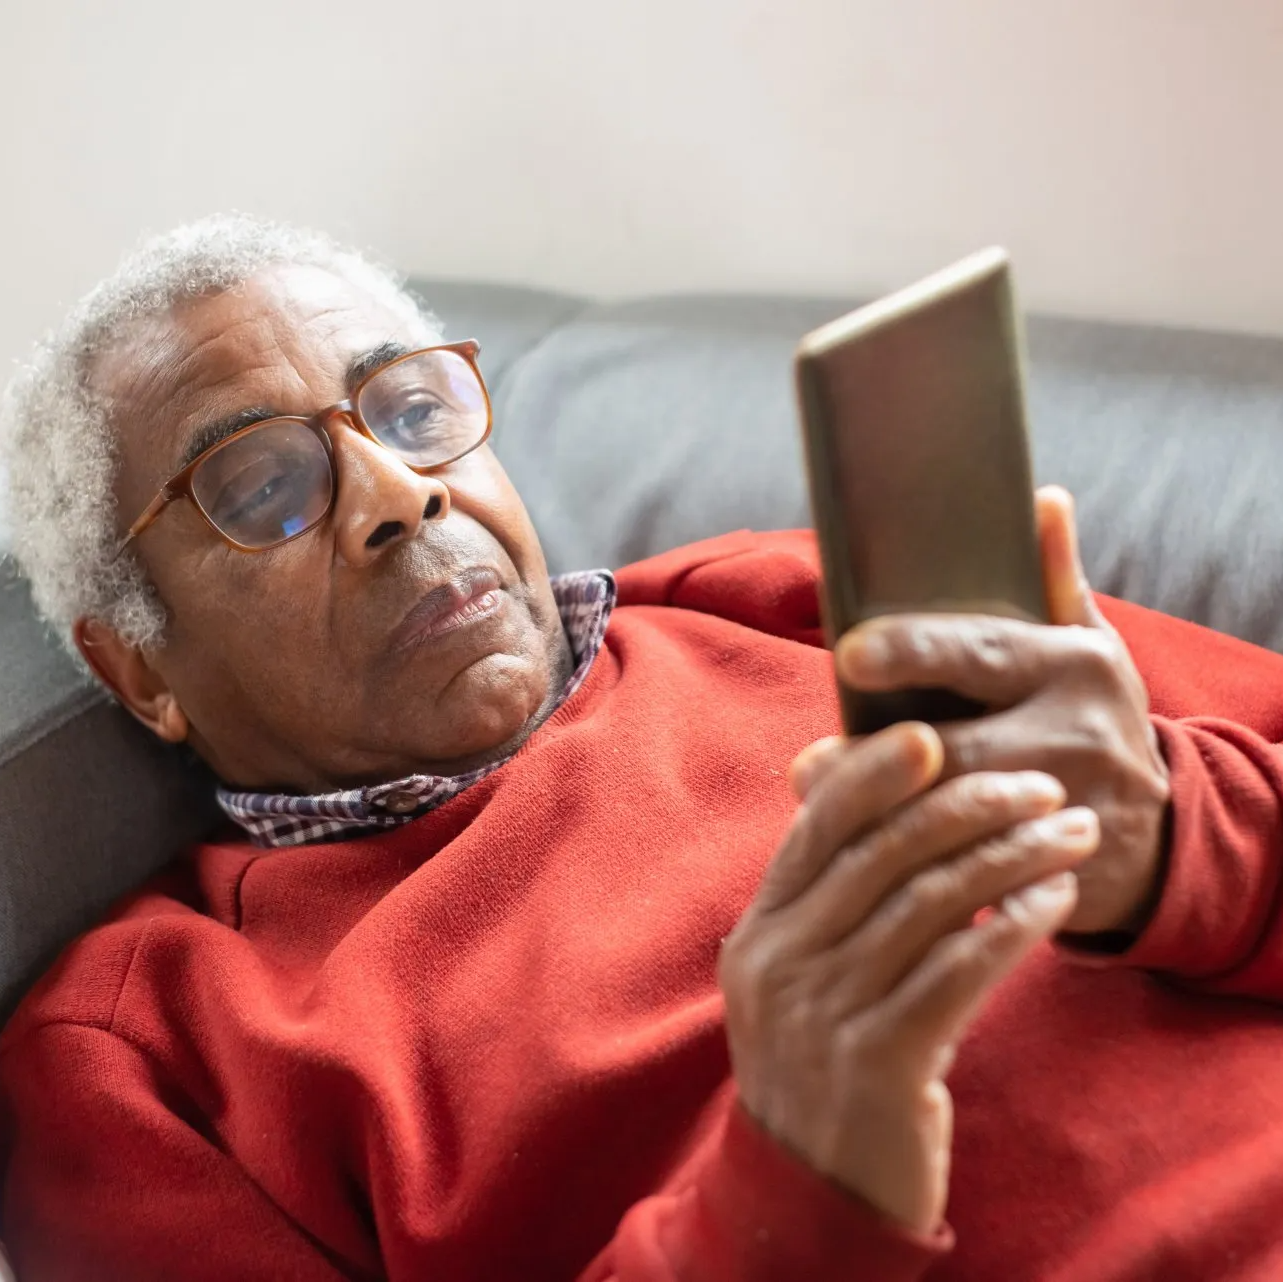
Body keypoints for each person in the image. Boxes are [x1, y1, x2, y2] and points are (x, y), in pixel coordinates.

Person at [1, 214, 1282, 1282]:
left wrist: (1181, 842)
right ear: (138, 667)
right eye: (261, 489)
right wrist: (792, 1180)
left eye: (407, 408)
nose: (400, 494)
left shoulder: (782, 592)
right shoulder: (143, 1056)